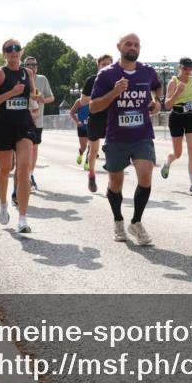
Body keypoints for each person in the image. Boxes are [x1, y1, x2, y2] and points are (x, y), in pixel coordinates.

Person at [88, 33, 161, 245]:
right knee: (115, 184)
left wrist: (156, 101)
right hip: (117, 137)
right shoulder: (107, 75)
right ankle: (118, 220)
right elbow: (93, 107)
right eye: (128, 44)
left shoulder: (147, 71)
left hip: (142, 135)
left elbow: (157, 87)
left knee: (146, 177)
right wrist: (114, 92)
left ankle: (136, 222)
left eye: (136, 44)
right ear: (119, 46)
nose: (133, 47)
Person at [0, 39, 39, 234]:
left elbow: (31, 93)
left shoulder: (28, 73)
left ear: (22, 52)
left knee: (23, 169)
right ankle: (3, 204)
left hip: (24, 125)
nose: (14, 52)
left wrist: (36, 96)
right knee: (5, 169)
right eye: (10, 49)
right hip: (4, 125)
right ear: (4, 54)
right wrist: (11, 93)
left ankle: (23, 219)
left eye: (17, 48)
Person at [161, 57, 192, 196]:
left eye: (190, 68)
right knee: (178, 153)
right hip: (177, 117)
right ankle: (168, 161)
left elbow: (191, 98)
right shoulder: (173, 82)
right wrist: (177, 92)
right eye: (185, 68)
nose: (188, 70)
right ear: (179, 67)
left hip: (191, 116)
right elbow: (167, 105)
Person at [81, 54, 114, 192]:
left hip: (112, 118)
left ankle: (111, 185)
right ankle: (91, 175)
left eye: (109, 64)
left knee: (112, 151)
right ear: (98, 65)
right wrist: (100, 99)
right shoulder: (91, 81)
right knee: (94, 150)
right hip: (95, 118)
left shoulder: (115, 81)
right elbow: (83, 101)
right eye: (103, 64)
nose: (106, 66)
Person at [24, 56, 55, 191]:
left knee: (34, 149)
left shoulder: (42, 79)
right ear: (24, 66)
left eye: (35, 65)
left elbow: (52, 98)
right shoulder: (20, 78)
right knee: (23, 150)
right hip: (21, 120)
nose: (32, 67)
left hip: (38, 120)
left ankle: (30, 176)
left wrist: (42, 99)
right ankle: (23, 176)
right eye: (29, 65)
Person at [69, 97, 90, 165]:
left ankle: (87, 163)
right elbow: (72, 112)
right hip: (82, 127)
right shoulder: (79, 101)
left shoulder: (95, 100)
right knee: (83, 147)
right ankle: (81, 153)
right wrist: (77, 121)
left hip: (92, 127)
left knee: (91, 147)